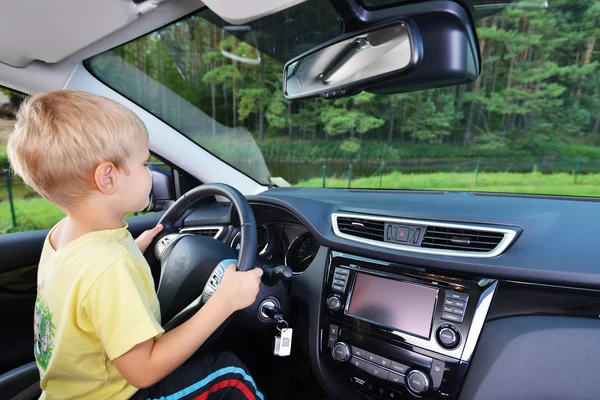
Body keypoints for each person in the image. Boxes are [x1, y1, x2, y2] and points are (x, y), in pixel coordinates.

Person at [7, 90, 265, 400]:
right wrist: (225, 302)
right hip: (117, 395)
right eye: (144, 164)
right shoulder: (110, 266)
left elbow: (83, 288)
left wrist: (135, 247)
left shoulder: (63, 237)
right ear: (108, 177)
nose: (151, 173)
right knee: (229, 374)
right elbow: (144, 371)